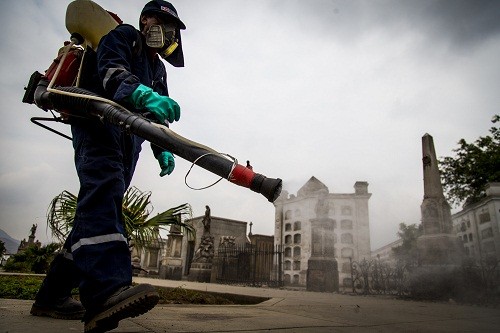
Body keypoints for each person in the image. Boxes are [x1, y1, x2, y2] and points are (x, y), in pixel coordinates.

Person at [30, 1, 186, 332]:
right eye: (165, 22)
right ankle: (105, 293)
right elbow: (113, 72)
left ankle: (51, 297)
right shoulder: (124, 36)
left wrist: (163, 149)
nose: (169, 32)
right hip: (97, 122)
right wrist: (141, 95)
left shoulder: (159, 70)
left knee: (99, 208)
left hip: (128, 142)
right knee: (104, 192)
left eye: (174, 28)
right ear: (147, 20)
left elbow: (156, 117)